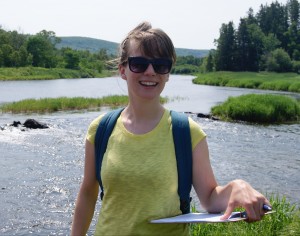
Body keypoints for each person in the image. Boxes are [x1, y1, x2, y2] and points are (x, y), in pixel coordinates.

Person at [71, 21, 270, 236]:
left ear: (167, 73)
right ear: (123, 70)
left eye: (160, 65)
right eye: (139, 63)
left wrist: (236, 187)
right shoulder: (101, 129)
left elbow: (211, 198)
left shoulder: (187, 132)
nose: (150, 72)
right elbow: (88, 193)